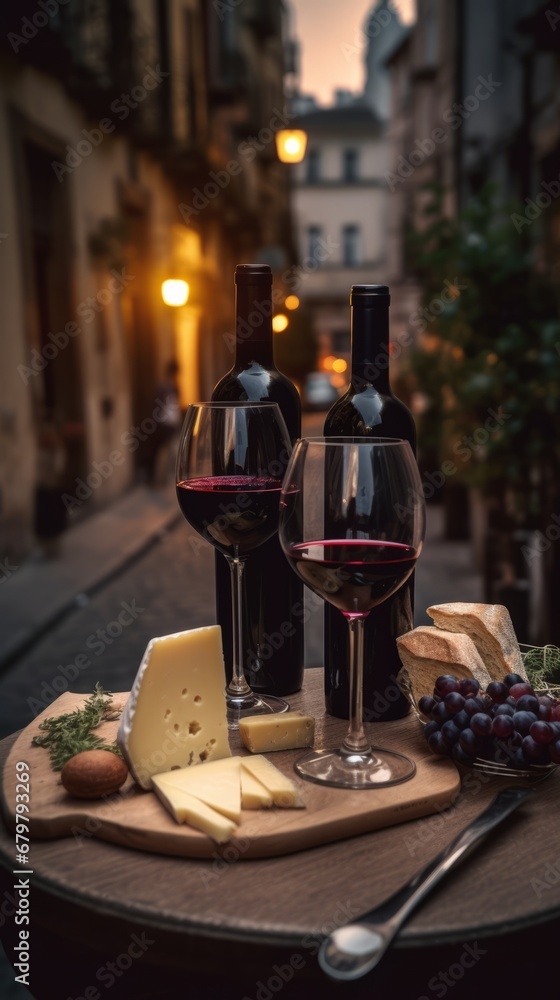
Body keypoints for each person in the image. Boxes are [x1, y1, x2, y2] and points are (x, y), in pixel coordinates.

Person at [146, 359, 182, 486]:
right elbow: (163, 408)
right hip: (164, 425)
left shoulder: (172, 386)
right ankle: (158, 480)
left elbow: (173, 407)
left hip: (168, 424)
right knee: (163, 453)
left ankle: (161, 479)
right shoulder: (164, 387)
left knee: (166, 453)